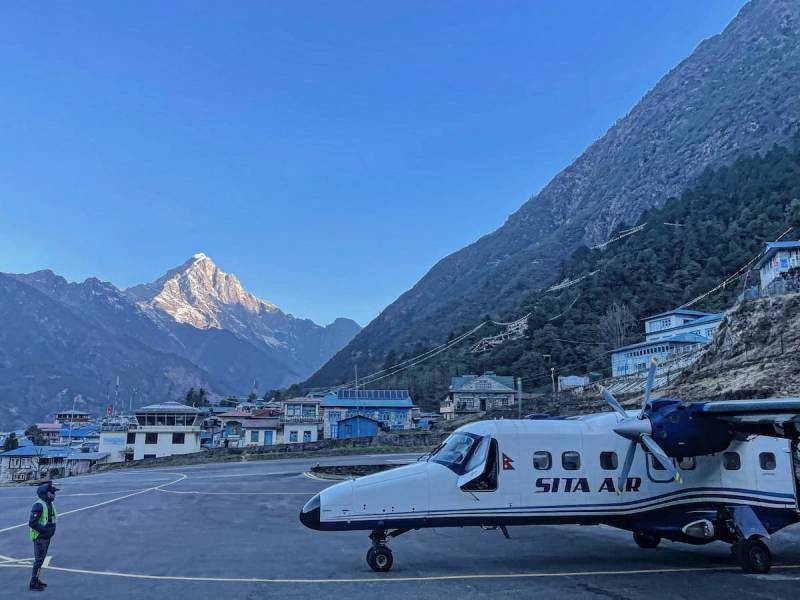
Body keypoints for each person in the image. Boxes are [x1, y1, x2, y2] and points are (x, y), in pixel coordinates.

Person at [28, 481, 58, 592]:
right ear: (45, 493)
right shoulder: (39, 505)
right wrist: (45, 532)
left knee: (40, 560)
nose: (54, 495)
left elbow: (51, 519)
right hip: (40, 538)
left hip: (47, 537)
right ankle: (33, 582)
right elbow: (32, 522)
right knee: (39, 560)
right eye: (52, 492)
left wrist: (50, 532)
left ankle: (36, 579)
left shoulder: (49, 504)